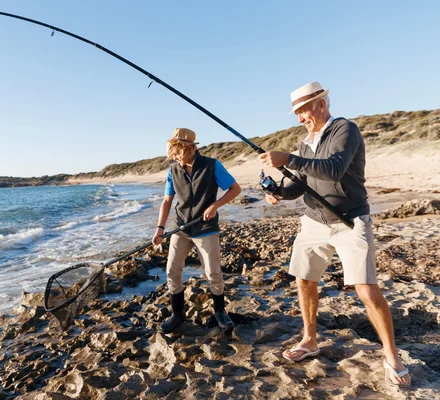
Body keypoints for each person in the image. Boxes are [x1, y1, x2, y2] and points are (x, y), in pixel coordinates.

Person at [258, 82, 411, 387]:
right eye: (297, 112)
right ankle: (310, 339)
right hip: (314, 221)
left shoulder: (345, 130)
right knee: (304, 279)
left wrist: (287, 158)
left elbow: (334, 169)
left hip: (350, 220)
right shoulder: (304, 144)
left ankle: (392, 355)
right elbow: (298, 186)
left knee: (366, 289)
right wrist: (276, 191)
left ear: (321, 105)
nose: (300, 117)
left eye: (303, 110)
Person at [153, 127, 241, 333]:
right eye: (172, 152)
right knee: (172, 270)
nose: (174, 157)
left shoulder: (212, 166)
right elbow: (167, 201)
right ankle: (177, 314)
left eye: (177, 152)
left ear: (189, 148)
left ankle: (220, 311)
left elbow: (235, 189)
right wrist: (159, 228)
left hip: (206, 229)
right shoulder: (173, 171)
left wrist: (214, 206)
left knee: (213, 273)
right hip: (182, 228)